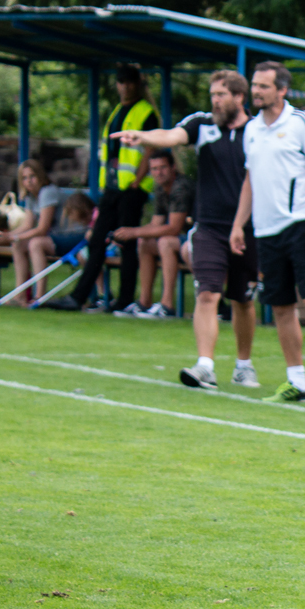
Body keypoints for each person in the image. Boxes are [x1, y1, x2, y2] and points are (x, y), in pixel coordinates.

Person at [114, 70, 261, 389]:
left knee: (242, 299)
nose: (215, 101)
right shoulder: (202, 125)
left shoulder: (259, 130)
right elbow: (171, 136)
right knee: (207, 293)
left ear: (239, 97)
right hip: (208, 227)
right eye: (212, 95)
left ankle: (243, 365)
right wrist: (144, 137)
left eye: (221, 95)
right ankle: (205, 366)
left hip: (248, 229)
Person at [228, 62, 305, 407]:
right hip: (266, 231)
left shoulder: (302, 122)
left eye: (263, 86)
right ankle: (297, 382)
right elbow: (250, 180)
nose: (256, 91)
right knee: (281, 307)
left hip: (301, 225)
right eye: (254, 85)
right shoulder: (252, 129)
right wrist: (239, 225)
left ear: (282, 90)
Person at [44, 64, 159, 313]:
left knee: (126, 243)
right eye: (121, 82)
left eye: (130, 82)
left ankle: (125, 299)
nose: (125, 87)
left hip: (131, 189)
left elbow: (150, 148)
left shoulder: (146, 112)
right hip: (112, 188)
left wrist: (137, 180)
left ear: (137, 84)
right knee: (96, 241)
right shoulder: (117, 111)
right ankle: (79, 297)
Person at [111, 150, 194, 318]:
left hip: (198, 237)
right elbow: (156, 223)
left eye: (163, 167)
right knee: (145, 242)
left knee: (166, 242)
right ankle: (144, 302)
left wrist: (134, 232)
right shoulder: (161, 188)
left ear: (173, 167)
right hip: (183, 240)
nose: (158, 172)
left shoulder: (181, 187)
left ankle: (167, 306)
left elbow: (174, 228)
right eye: (154, 169)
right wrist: (124, 234)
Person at [0, 160, 64, 306]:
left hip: (64, 236)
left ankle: (39, 296)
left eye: (32, 176)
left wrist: (15, 236)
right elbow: (27, 225)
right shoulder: (31, 196)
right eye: (24, 178)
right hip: (50, 239)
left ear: (40, 176)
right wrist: (8, 237)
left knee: (35, 244)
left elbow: (42, 228)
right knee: (18, 245)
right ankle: (20, 295)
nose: (29, 181)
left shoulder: (47, 192)